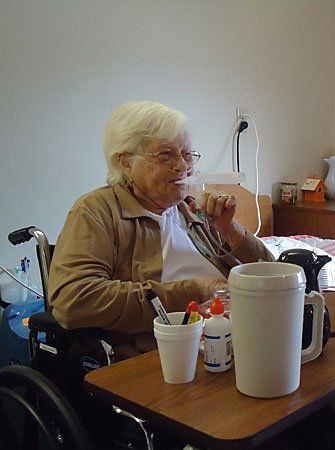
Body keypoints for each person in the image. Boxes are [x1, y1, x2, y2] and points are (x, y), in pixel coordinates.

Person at [49, 100, 274, 361]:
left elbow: (271, 273)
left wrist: (230, 229)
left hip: (239, 341)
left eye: (187, 155)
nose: (182, 166)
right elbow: (73, 301)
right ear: (125, 162)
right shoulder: (96, 211)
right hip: (167, 358)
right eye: (165, 156)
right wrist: (194, 291)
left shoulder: (191, 211)